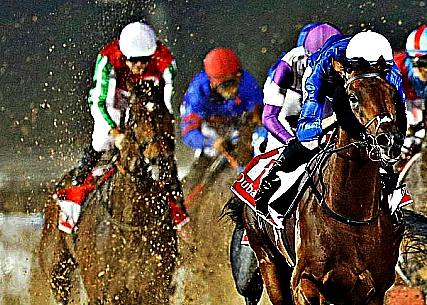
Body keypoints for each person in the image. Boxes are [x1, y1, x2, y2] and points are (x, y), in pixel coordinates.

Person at [254, 30, 405, 215]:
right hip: (326, 89)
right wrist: (331, 121)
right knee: (308, 143)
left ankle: (393, 203)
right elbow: (300, 131)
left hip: (354, 86)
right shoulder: (316, 69)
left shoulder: (389, 70)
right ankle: (270, 184)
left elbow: (399, 115)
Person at [74, 22, 189, 226]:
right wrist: (115, 132)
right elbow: (98, 102)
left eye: (145, 60)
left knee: (160, 145)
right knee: (102, 141)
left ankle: (176, 201)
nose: (139, 66)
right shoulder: (107, 60)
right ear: (123, 55)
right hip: (116, 97)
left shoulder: (165, 61)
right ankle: (78, 184)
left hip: (147, 98)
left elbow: (166, 104)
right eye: (133, 60)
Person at [180, 47, 263, 192]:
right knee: (194, 181)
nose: (233, 90)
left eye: (235, 82)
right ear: (212, 82)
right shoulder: (197, 92)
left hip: (240, 128)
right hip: (211, 133)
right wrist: (212, 142)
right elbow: (188, 133)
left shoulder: (248, 84)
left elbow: (261, 119)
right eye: (226, 85)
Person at [262, 23, 342, 149]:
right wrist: (290, 142)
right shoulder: (287, 67)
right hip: (291, 95)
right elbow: (269, 117)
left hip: (319, 93)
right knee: (285, 149)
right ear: (306, 56)